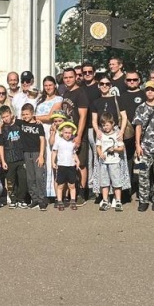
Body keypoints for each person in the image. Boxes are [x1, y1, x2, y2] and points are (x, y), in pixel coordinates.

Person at [89, 77, 129, 202]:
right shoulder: (96, 102)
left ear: (111, 85)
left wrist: (121, 132)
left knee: (117, 164)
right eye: (102, 83)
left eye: (107, 83)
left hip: (115, 132)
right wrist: (98, 131)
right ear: (99, 85)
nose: (105, 85)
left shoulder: (117, 99)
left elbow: (124, 116)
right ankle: (105, 195)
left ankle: (117, 196)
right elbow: (94, 120)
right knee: (102, 162)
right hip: (102, 133)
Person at [133, 80, 154, 212]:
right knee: (142, 174)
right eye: (147, 90)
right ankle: (143, 200)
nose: (150, 92)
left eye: (152, 90)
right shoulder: (140, 108)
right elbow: (138, 127)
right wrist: (138, 145)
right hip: (144, 149)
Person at [58, 67, 90, 204]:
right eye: (65, 78)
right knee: (69, 164)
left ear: (75, 77)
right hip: (67, 135)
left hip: (78, 135)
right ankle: (71, 193)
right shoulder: (66, 93)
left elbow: (83, 116)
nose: (68, 80)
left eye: (70, 77)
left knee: (81, 164)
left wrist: (78, 136)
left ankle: (82, 193)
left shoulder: (80, 93)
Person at [34, 76, 64, 200]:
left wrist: (34, 117)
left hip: (50, 130)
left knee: (52, 158)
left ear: (55, 86)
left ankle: (54, 192)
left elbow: (51, 116)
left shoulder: (58, 99)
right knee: (42, 159)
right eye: (46, 85)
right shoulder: (40, 100)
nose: (48, 88)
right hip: (39, 131)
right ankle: (43, 191)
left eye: (50, 85)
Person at [17, 103, 47, 210]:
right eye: (23, 114)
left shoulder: (38, 125)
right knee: (30, 178)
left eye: (27, 114)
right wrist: (0, 126)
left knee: (39, 176)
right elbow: (8, 120)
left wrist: (41, 155)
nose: (25, 116)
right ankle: (34, 199)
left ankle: (42, 199)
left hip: (37, 153)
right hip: (26, 153)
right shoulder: (21, 123)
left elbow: (42, 140)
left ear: (32, 113)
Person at [0, 105, 28, 208]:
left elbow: (29, 122)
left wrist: (37, 120)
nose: (6, 118)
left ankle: (21, 199)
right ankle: (13, 199)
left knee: (23, 179)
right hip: (9, 158)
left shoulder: (19, 124)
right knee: (11, 181)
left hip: (21, 157)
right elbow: (1, 145)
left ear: (11, 114)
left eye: (7, 116)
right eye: (3, 117)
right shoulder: (2, 129)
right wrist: (3, 161)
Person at [95, 113, 125, 211]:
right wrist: (100, 154)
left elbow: (121, 148)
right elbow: (98, 147)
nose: (105, 127)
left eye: (107, 125)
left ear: (112, 124)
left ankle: (118, 201)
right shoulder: (101, 135)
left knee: (116, 182)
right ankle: (105, 200)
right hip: (104, 162)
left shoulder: (117, 134)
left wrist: (115, 149)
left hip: (114, 162)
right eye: (103, 125)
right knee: (104, 182)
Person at [52, 122, 79, 210]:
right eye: (66, 133)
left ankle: (73, 201)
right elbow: (54, 152)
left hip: (71, 166)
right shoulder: (58, 141)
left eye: (69, 133)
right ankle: (60, 201)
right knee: (60, 185)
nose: (68, 135)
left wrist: (77, 161)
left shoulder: (72, 142)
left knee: (72, 185)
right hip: (61, 166)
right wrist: (53, 162)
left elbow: (74, 153)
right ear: (62, 133)